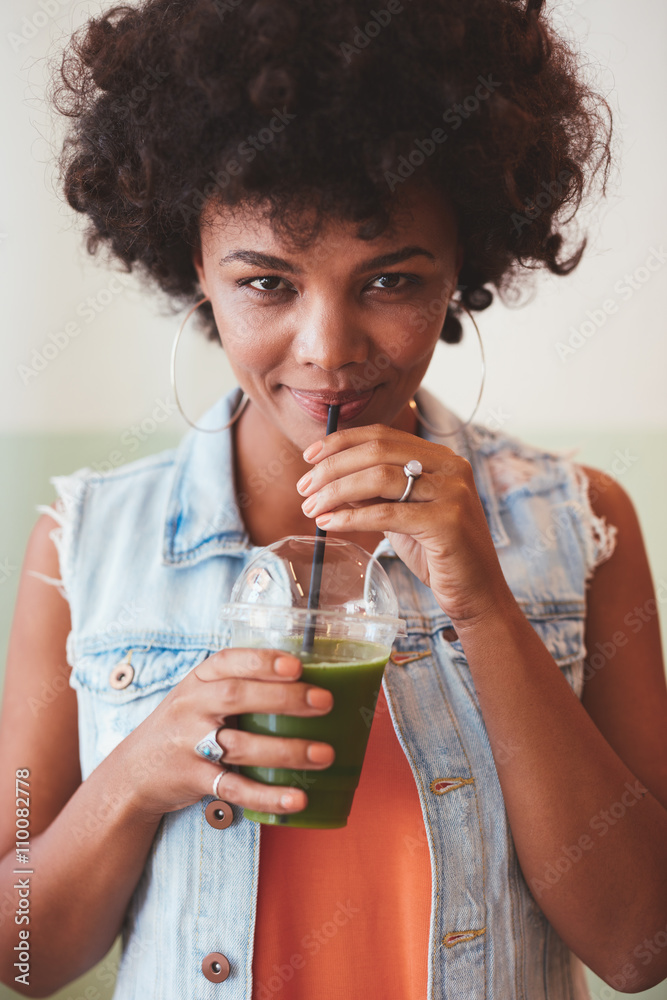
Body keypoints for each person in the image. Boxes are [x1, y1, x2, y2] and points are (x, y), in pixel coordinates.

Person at [1, 0, 667, 997]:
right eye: (268, 283)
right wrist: (138, 775)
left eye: (390, 279)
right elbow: (21, 955)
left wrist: (482, 600)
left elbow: (641, 947)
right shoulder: (86, 544)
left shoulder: (584, 526)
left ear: (462, 270)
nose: (327, 348)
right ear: (195, 264)